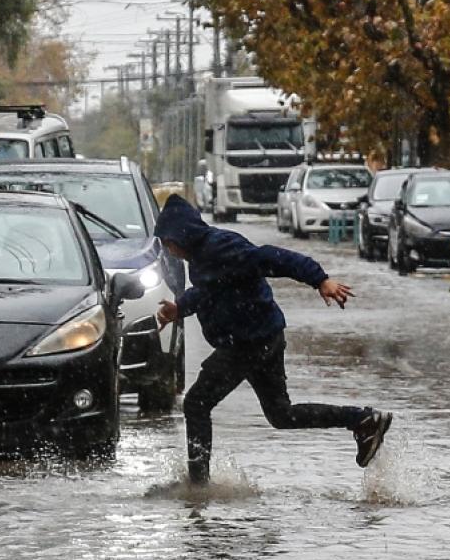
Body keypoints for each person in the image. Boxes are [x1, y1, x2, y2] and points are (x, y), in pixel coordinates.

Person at [153, 195, 393, 484]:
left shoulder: (221, 247)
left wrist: (319, 279)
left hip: (246, 343)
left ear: (182, 234)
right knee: (281, 415)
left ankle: (197, 485)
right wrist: (180, 308)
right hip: (262, 338)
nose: (168, 248)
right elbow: (210, 290)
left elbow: (270, 257)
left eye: (167, 241)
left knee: (196, 403)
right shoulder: (202, 256)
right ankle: (362, 419)